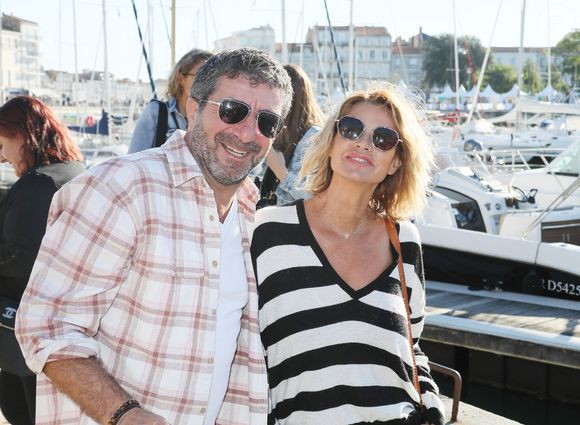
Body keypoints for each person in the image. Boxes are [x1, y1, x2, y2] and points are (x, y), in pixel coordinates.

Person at [16, 48, 293, 425]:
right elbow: (46, 325)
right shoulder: (119, 188)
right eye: (232, 111)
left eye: (267, 122)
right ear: (193, 108)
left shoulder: (250, 213)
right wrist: (125, 415)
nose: (247, 133)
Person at [251, 85, 445, 425]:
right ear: (331, 143)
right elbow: (245, 348)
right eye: (351, 129)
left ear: (395, 162)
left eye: (383, 138)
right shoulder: (267, 231)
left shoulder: (403, 240)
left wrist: (433, 407)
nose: (363, 143)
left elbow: (412, 350)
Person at [0, 96, 84, 425]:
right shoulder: (74, 171)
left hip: (23, 326)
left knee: (23, 411)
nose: (2, 156)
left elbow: (19, 258)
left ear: (24, 136)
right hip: (64, 323)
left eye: (3, 143)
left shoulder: (38, 185)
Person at [259, 64, 324, 206]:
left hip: (295, 224)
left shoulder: (313, 137)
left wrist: (282, 172)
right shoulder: (277, 132)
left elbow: (314, 196)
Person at [128, 48, 213, 153]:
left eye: (211, 78)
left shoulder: (214, 117)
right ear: (181, 77)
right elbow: (135, 158)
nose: (206, 83)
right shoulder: (156, 113)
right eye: (200, 76)